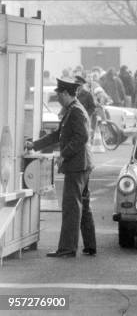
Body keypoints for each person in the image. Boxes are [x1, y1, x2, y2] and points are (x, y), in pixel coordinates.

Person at [25, 78, 96, 258]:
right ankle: (90, 245)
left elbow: (82, 137)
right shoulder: (73, 109)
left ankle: (67, 249)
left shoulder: (76, 111)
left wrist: (64, 153)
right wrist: (35, 144)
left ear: (65, 94)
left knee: (72, 207)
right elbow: (58, 135)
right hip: (83, 164)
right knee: (83, 205)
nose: (57, 98)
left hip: (77, 165)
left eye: (58, 95)